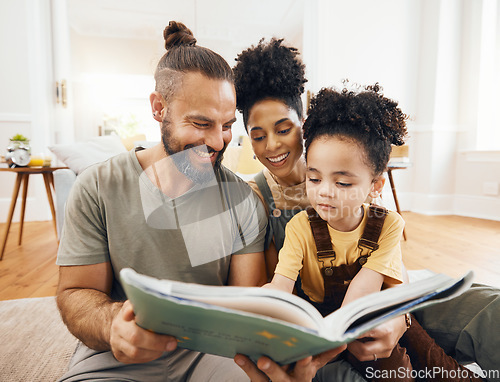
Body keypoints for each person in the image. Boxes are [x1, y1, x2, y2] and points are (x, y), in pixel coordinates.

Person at [55, 21, 346, 382]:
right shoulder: (96, 187)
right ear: (159, 108)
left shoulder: (244, 201)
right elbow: (76, 292)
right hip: (116, 357)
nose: (219, 142)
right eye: (200, 123)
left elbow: (247, 307)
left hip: (213, 354)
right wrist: (113, 323)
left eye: (226, 125)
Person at [233, 38, 498, 381]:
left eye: (284, 129)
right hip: (319, 314)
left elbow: (385, 259)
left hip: (382, 293)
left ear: (304, 123)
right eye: (257, 136)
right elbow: (277, 285)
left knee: (482, 312)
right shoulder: (258, 198)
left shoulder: (356, 172)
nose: (272, 145)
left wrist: (397, 315)